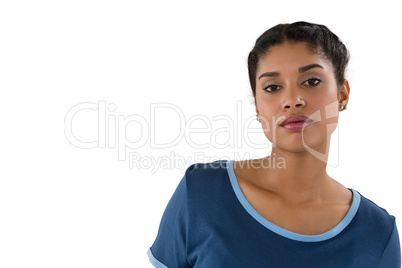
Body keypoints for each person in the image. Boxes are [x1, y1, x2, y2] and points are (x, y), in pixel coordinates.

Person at [147, 21, 401, 267]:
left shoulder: (378, 233)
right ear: (257, 106)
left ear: (342, 94)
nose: (292, 100)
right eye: (272, 87)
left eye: (311, 81)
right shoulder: (202, 193)